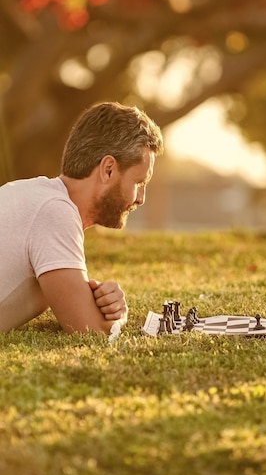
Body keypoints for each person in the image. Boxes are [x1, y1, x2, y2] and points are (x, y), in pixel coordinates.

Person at [0, 101, 163, 335]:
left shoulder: (31, 195)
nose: (141, 199)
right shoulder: (54, 211)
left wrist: (92, 296)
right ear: (108, 169)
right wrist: (120, 315)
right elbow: (90, 330)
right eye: (139, 183)